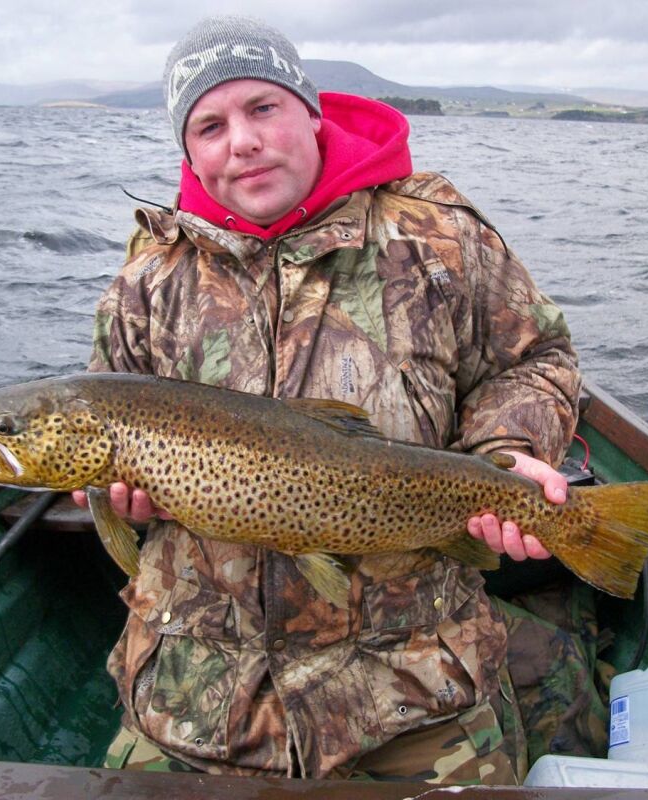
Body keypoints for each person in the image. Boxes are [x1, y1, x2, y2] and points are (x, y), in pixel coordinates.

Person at [75, 14, 607, 784]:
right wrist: (123, 501)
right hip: (197, 693)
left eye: (263, 108)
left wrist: (510, 452)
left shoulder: (438, 238)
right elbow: (106, 414)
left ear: (311, 112)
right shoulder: (149, 280)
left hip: (415, 684)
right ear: (187, 150)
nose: (242, 142)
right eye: (210, 126)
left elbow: (537, 358)